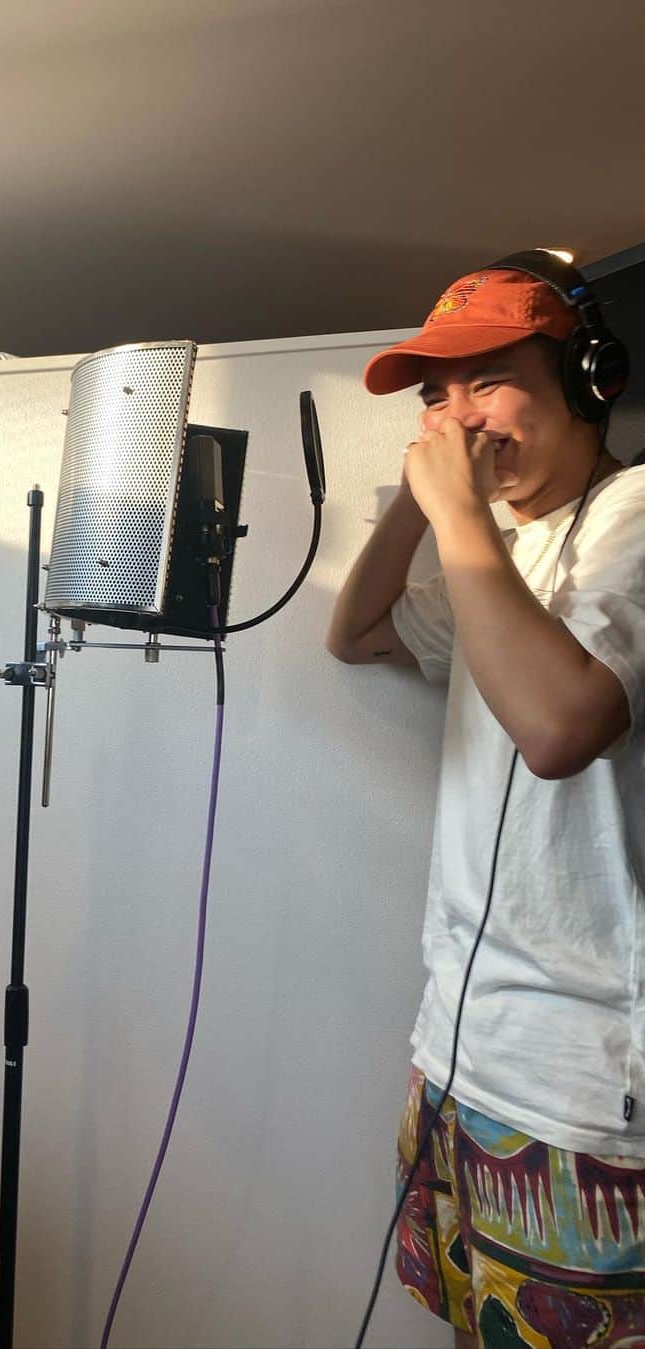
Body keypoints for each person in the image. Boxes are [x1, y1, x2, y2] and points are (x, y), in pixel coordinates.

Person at [325, 259, 645, 1348]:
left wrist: (460, 514)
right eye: (436, 395)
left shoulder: (636, 515)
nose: (458, 417)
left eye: (490, 381)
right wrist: (426, 509)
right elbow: (358, 633)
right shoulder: (493, 555)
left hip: (584, 1089)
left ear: (591, 382)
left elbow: (561, 728)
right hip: (460, 1051)